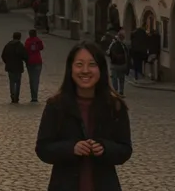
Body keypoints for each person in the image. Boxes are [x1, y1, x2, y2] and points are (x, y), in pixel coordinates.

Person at [35, 42, 132, 191]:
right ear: (71, 69)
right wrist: (71, 148)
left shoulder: (115, 106)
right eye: (79, 64)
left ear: (101, 69)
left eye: (92, 64)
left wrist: (105, 148)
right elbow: (43, 148)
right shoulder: (56, 105)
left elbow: (125, 149)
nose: (85, 70)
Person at [1, 31, 29, 104]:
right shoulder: (20, 45)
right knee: (18, 82)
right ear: (19, 37)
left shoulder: (8, 45)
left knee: (12, 82)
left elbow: (3, 55)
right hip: (18, 66)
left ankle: (12, 96)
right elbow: (25, 56)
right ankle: (16, 97)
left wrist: (7, 62)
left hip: (10, 67)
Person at [106, 30, 129, 96]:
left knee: (116, 79)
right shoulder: (122, 45)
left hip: (116, 64)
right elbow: (126, 54)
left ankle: (117, 91)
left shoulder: (115, 44)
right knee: (119, 79)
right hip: (119, 64)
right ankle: (119, 91)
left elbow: (108, 52)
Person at [24, 28, 45, 103]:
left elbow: (25, 50)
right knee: (36, 79)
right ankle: (35, 96)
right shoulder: (38, 40)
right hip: (38, 61)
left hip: (30, 62)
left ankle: (33, 96)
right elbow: (41, 47)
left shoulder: (28, 41)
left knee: (31, 79)